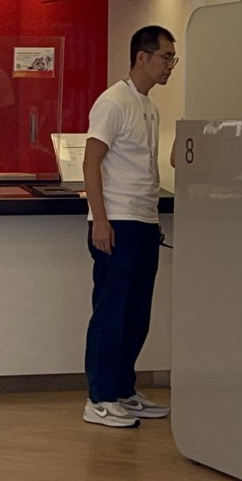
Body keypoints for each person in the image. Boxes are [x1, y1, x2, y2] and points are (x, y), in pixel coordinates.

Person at [81, 25, 177, 428]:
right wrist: (100, 220)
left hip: (144, 221)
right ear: (142, 57)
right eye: (166, 57)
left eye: (172, 58)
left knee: (137, 314)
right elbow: (91, 162)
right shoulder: (113, 102)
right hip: (117, 221)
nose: (170, 65)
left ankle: (123, 390)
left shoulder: (149, 106)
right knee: (111, 314)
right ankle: (100, 398)